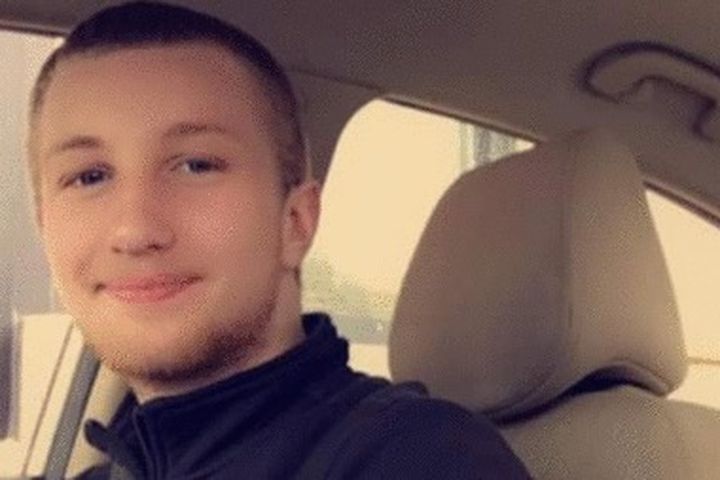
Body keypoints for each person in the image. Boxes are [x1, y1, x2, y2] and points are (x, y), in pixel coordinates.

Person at [28, 2, 531, 478]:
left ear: (295, 222)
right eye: (89, 177)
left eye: (196, 165)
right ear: (44, 225)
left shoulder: (417, 457)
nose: (135, 231)